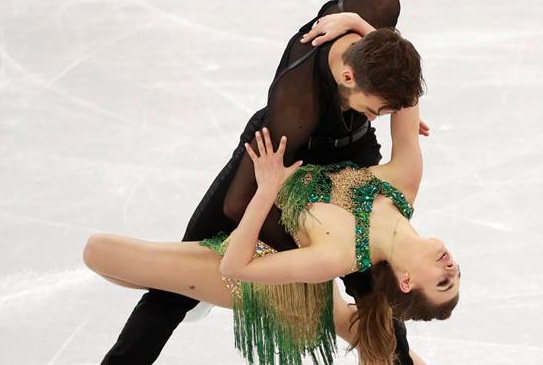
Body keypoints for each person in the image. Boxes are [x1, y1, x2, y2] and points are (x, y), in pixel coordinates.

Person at [95, 1, 429, 364]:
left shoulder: (370, 13)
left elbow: (392, 55)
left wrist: (363, 27)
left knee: (373, 287)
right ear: (348, 77)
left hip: (350, 156)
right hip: (280, 157)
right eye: (378, 110)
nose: (382, 118)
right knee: (175, 285)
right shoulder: (294, 107)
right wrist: (319, 256)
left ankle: (399, 358)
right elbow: (236, 205)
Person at [84, 105, 460, 365]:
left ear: (407, 281)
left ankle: (193, 290)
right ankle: (191, 289)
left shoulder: (337, 254)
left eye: (443, 282)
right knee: (353, 323)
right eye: (456, 276)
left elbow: (236, 266)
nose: (452, 268)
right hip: (295, 265)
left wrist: (265, 190)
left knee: (97, 251)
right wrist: (357, 25)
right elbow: (404, 75)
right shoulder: (405, 183)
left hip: (267, 281)